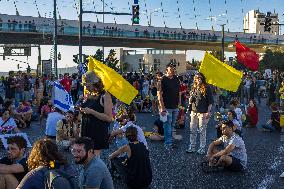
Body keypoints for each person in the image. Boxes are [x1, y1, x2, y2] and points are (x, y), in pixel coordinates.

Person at [80, 71, 113, 156]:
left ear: (96, 84)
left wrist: (92, 112)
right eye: (85, 86)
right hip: (86, 130)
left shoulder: (105, 96)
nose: (86, 88)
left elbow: (109, 118)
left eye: (88, 86)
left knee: (93, 159)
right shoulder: (88, 95)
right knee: (85, 157)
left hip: (97, 132)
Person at [186, 73, 213, 154]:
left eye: (200, 78)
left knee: (202, 130)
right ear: (195, 79)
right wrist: (190, 99)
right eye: (197, 78)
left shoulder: (207, 87)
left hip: (203, 112)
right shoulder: (193, 87)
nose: (198, 79)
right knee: (192, 130)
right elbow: (191, 99)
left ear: (203, 79)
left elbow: (210, 101)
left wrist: (208, 112)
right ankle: (192, 146)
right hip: (194, 111)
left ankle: (202, 147)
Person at [157, 63, 181, 149]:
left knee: (172, 125)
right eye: (171, 70)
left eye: (173, 69)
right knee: (167, 125)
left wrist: (179, 102)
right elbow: (159, 95)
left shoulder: (176, 79)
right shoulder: (162, 80)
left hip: (175, 106)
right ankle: (168, 143)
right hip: (166, 107)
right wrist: (162, 108)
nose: (172, 71)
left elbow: (179, 92)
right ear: (166, 70)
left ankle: (169, 140)